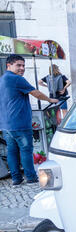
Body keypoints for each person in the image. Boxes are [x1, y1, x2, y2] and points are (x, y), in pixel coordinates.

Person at [0, 54, 58, 185]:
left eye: (23, 66)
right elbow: (35, 92)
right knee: (26, 150)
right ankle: (31, 177)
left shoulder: (2, 79)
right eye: (18, 65)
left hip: (5, 124)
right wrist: (50, 99)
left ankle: (16, 179)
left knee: (12, 151)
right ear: (8, 65)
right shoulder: (16, 79)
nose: (22, 68)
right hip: (19, 123)